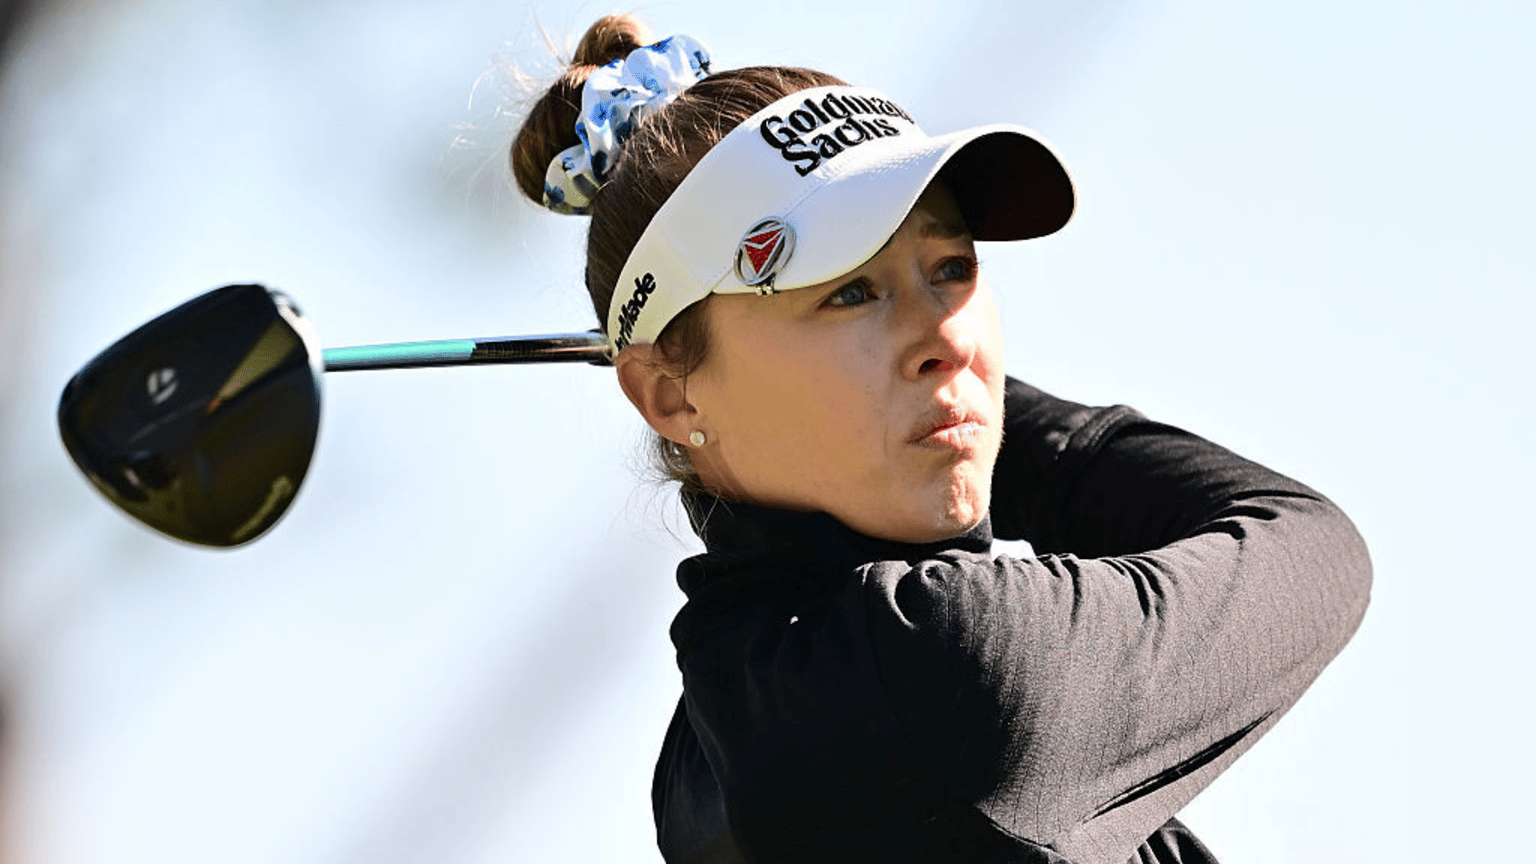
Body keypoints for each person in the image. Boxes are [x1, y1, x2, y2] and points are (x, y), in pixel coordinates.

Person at [508, 15, 1371, 864]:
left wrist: (936, 398)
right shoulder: (934, 661)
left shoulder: (704, 749)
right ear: (666, 394)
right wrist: (965, 403)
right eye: (849, 291)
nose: (948, 336)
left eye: (950, 270)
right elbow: (1305, 543)